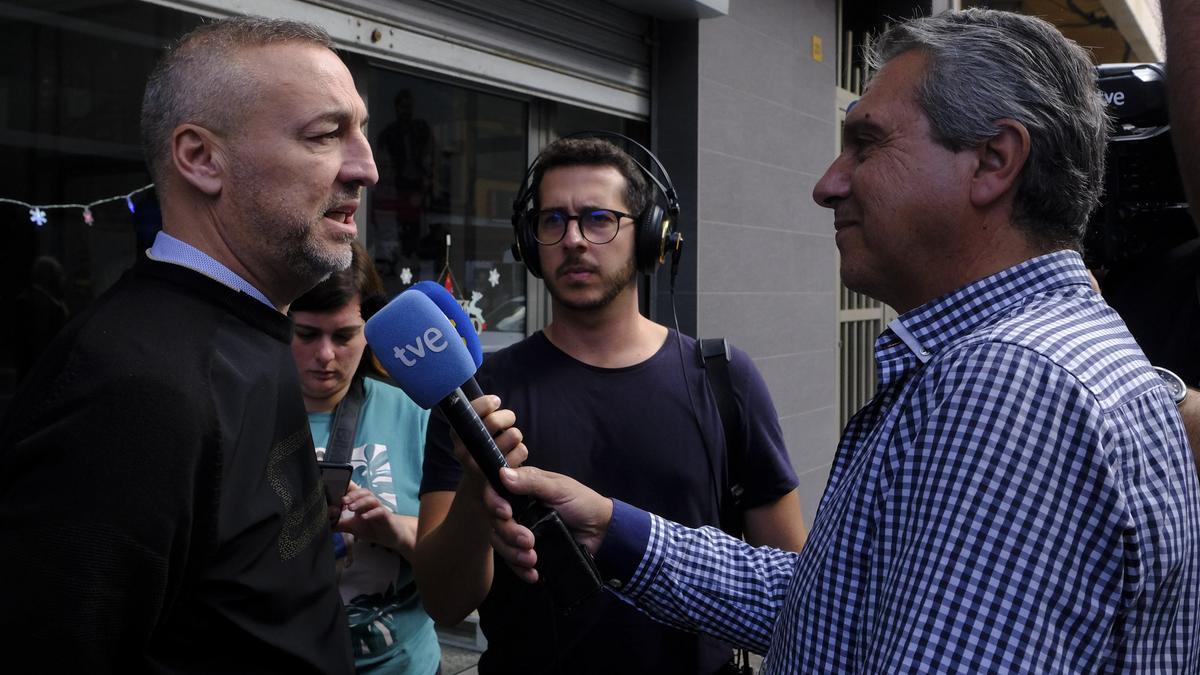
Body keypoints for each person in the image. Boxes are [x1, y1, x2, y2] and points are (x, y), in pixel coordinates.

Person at [479, 9, 1200, 673]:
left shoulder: (1010, 383)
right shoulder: (1056, 354)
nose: (828, 183)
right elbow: (841, 604)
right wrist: (619, 531)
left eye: (865, 143)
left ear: (993, 161)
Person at [0, 16, 377, 672]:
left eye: (361, 131)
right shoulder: (129, 390)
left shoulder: (255, 327)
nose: (366, 167)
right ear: (200, 158)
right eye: (325, 135)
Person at [414, 136, 808, 674]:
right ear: (532, 244)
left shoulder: (723, 379)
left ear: (650, 238)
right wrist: (475, 488)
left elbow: (799, 594)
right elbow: (443, 601)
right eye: (553, 221)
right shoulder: (479, 394)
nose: (573, 239)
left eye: (598, 218)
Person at [289, 240, 440, 674]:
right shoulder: (245, 414)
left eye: (344, 336)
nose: (325, 356)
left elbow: (464, 550)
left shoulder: (416, 415)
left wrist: (391, 530)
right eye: (306, 334)